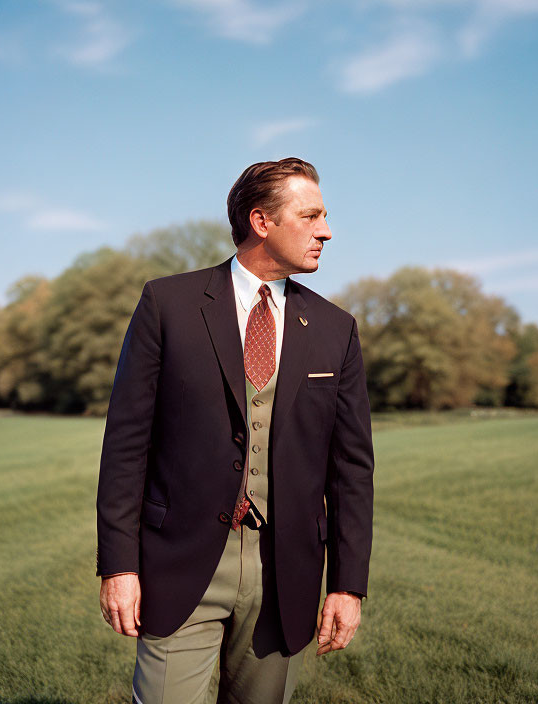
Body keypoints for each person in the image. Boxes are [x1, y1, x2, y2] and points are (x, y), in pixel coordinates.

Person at [96, 157, 374, 704]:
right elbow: (126, 446)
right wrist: (119, 565)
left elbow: (351, 471)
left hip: (284, 574)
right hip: (180, 565)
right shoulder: (167, 305)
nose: (327, 230)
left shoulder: (336, 330)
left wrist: (346, 583)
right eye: (311, 215)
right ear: (261, 221)